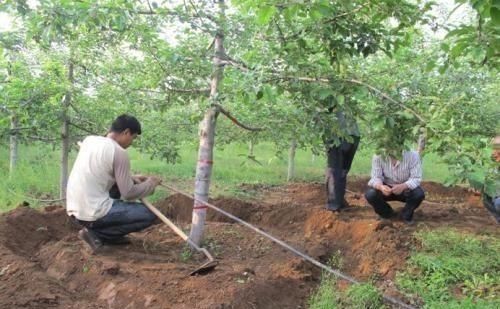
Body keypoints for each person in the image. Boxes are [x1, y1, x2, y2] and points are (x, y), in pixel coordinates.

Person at [66, 114, 162, 253]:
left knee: (117, 186)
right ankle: (101, 234)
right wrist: (151, 184)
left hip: (74, 209)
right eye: (133, 137)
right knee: (149, 215)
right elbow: (128, 193)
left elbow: (100, 169)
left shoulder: (90, 140)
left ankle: (101, 232)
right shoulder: (119, 152)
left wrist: (132, 177)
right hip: (93, 212)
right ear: (126, 132)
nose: (131, 142)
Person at [364, 147, 425, 225]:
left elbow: (416, 178)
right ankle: (387, 214)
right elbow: (376, 177)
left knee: (418, 194)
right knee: (370, 194)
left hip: (405, 189)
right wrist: (381, 187)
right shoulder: (378, 155)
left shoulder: (413, 155)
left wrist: (403, 186)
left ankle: (406, 215)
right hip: (386, 188)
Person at [324, 109, 360, 212]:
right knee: (342, 171)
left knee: (334, 170)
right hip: (354, 135)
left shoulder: (330, 98)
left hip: (337, 135)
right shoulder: (346, 96)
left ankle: (333, 206)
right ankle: (339, 201)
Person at [481, 136, 500, 223]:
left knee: (498, 202)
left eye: (497, 149)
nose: (493, 153)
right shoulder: (493, 167)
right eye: (493, 149)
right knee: (486, 198)